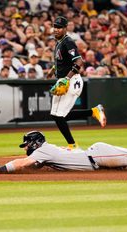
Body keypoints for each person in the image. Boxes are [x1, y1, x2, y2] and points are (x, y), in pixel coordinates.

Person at [45, 16, 106, 149]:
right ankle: (94, 111)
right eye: (55, 27)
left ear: (66, 28)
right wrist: (52, 70)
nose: (56, 29)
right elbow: (62, 62)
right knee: (59, 116)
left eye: (59, 27)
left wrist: (67, 78)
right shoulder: (58, 42)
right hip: (64, 79)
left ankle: (72, 145)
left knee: (59, 116)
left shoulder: (68, 42)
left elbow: (79, 61)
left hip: (71, 80)